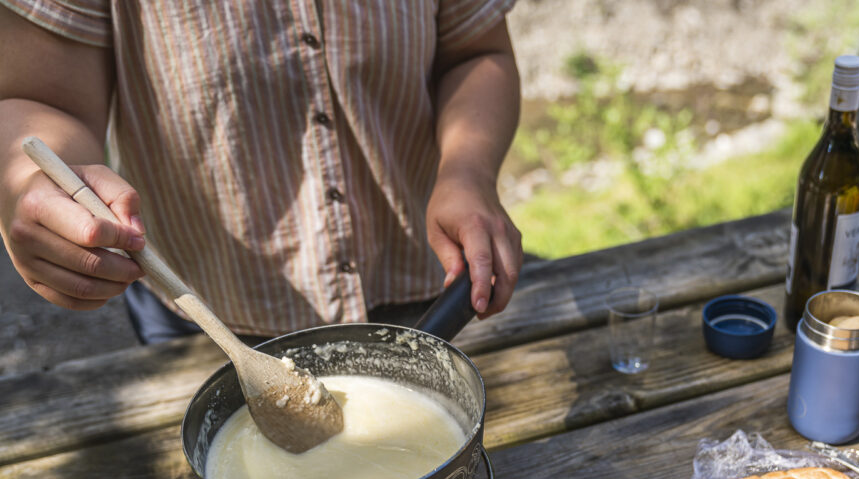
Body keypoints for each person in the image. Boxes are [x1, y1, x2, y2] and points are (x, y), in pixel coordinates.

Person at [0, 0, 523, 344]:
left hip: (430, 288)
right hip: (204, 317)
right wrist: (31, 184)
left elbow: (475, 52)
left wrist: (467, 172)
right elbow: (40, 102)